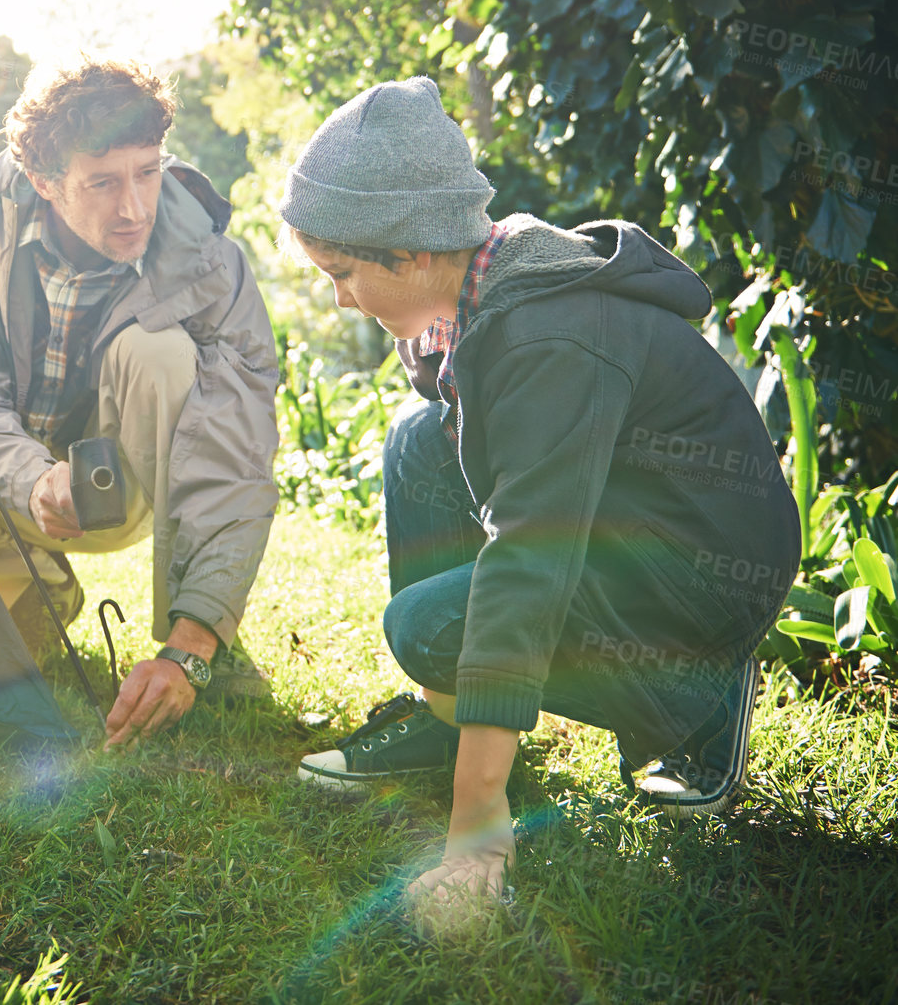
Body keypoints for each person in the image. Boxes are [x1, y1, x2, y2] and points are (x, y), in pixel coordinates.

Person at [277, 77, 800, 907]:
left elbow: (528, 557)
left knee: (426, 626)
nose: (339, 297)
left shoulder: (550, 338)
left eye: (343, 273)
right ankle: (447, 724)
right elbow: (480, 450)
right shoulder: (478, 286)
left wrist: (476, 820)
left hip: (698, 575)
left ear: (410, 252)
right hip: (627, 520)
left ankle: (688, 696)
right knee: (419, 444)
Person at [0, 57, 280, 746]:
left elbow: (237, 450)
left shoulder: (208, 260)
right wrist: (31, 479)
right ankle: (38, 587)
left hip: (127, 487)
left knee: (161, 351)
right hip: (1, 488)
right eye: (104, 184)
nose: (135, 207)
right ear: (45, 183)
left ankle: (204, 642)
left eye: (149, 171)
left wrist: (195, 641)